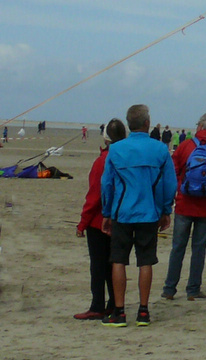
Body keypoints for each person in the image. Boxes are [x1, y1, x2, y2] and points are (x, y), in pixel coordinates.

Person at [101, 104, 177, 328]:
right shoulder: (160, 149)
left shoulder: (116, 149)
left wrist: (107, 212)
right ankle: (143, 311)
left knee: (119, 260)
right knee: (145, 260)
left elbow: (106, 185)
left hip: (123, 213)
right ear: (147, 123)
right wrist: (165, 210)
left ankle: (120, 311)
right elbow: (170, 184)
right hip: (147, 213)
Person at [163, 111, 206, 301]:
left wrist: (180, 188)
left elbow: (172, 170)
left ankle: (169, 289)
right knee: (199, 248)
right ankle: (193, 289)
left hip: (184, 204)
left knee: (178, 247)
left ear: (200, 127)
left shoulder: (186, 145)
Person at [75, 118, 126, 321]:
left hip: (102, 220)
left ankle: (99, 305)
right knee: (113, 263)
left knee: (99, 265)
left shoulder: (104, 160)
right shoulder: (125, 157)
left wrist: (83, 223)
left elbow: (95, 195)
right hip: (121, 218)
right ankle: (113, 304)